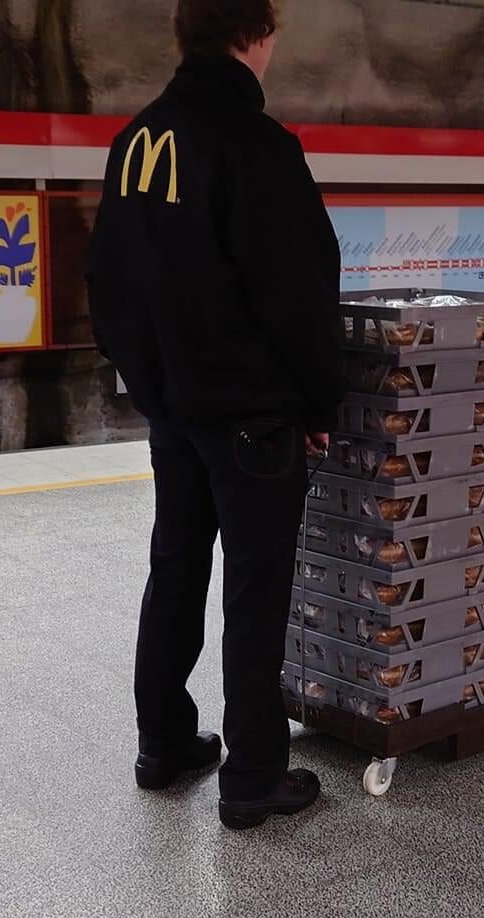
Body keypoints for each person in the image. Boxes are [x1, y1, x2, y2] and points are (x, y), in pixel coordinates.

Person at [85, 0, 344, 830]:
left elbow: (109, 281)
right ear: (255, 35)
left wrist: (147, 378)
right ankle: (255, 776)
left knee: (176, 566)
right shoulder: (255, 146)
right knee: (256, 590)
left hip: (175, 410)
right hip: (251, 417)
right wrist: (317, 400)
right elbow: (298, 291)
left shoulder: (137, 144)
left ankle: (163, 741)